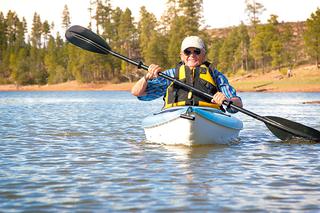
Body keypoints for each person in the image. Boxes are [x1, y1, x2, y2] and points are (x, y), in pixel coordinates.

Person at [131, 36, 243, 113]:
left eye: (197, 51)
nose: (192, 55)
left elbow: (237, 104)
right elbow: (137, 93)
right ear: (181, 56)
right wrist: (146, 77)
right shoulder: (170, 75)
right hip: (174, 114)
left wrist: (228, 101)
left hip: (209, 115)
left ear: (204, 55)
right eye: (187, 52)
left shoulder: (216, 76)